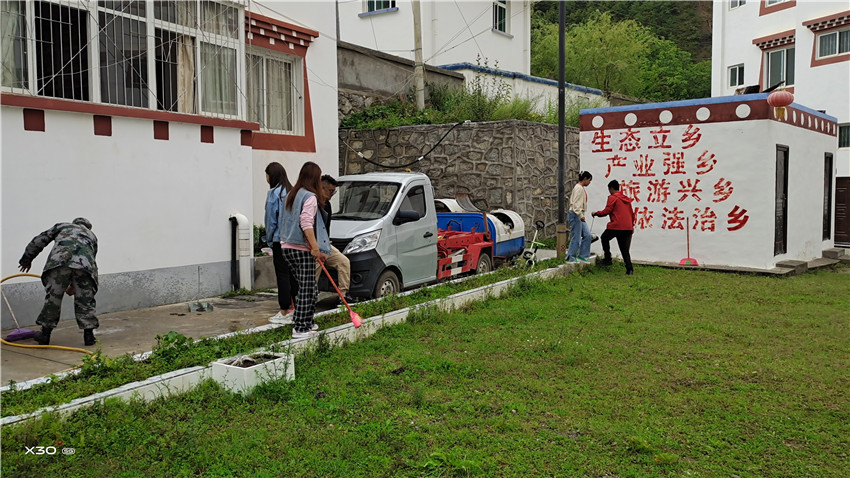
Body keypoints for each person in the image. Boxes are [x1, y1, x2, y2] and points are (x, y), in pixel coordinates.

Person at [18, 218, 99, 346]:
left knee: (53, 299)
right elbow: (90, 259)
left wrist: (26, 260)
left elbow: (39, 241)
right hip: (85, 268)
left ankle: (45, 335)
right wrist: (75, 286)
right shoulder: (92, 235)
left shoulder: (62, 226)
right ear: (88, 227)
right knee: (85, 300)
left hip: (59, 263)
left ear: (74, 223)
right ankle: (89, 336)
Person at [280, 162, 331, 339]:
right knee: (307, 289)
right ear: (315, 178)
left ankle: (308, 321)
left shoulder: (291, 194)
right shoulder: (310, 197)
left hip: (287, 247)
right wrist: (315, 248)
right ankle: (301, 327)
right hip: (302, 248)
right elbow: (306, 223)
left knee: (309, 287)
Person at [264, 162, 299, 325]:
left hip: (279, 239)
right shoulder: (293, 192)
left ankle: (285, 310)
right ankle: (296, 307)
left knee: (282, 275)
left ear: (271, 176)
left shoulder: (274, 194)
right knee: (293, 274)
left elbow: (271, 220)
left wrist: (269, 239)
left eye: (267, 175)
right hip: (293, 240)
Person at [315, 175, 352, 302]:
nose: (332, 195)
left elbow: (326, 229)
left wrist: (325, 247)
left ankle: (343, 295)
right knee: (315, 266)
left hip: (325, 245)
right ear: (321, 188)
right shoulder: (312, 203)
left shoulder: (327, 205)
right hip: (312, 246)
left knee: (343, 262)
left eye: (334, 192)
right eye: (330, 191)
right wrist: (316, 248)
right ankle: (309, 296)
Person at [592, 179, 635, 275]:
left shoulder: (613, 197)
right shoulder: (626, 199)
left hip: (616, 226)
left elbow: (607, 211)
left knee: (604, 238)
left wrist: (596, 213)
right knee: (624, 249)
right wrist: (632, 226)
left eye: (609, 190)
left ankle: (608, 259)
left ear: (611, 188)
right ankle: (629, 269)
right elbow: (632, 214)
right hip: (627, 227)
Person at [567, 171, 593, 263]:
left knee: (587, 235)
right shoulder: (579, 188)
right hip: (576, 214)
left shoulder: (580, 188)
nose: (589, 182)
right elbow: (576, 204)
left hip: (579, 214)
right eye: (589, 180)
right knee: (576, 237)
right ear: (585, 179)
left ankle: (583, 255)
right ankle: (571, 256)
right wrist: (581, 215)